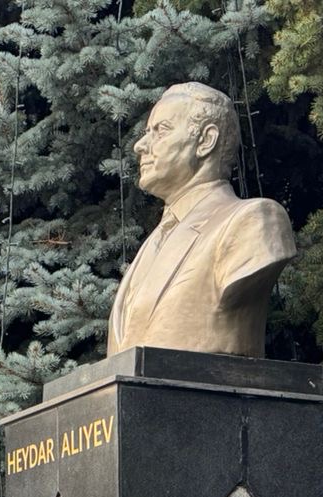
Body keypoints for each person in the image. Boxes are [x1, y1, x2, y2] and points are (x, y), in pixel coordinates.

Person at [107, 82, 297, 359]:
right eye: (147, 132)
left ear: (206, 141)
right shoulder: (152, 244)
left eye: (160, 130)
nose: (140, 146)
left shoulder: (254, 220)